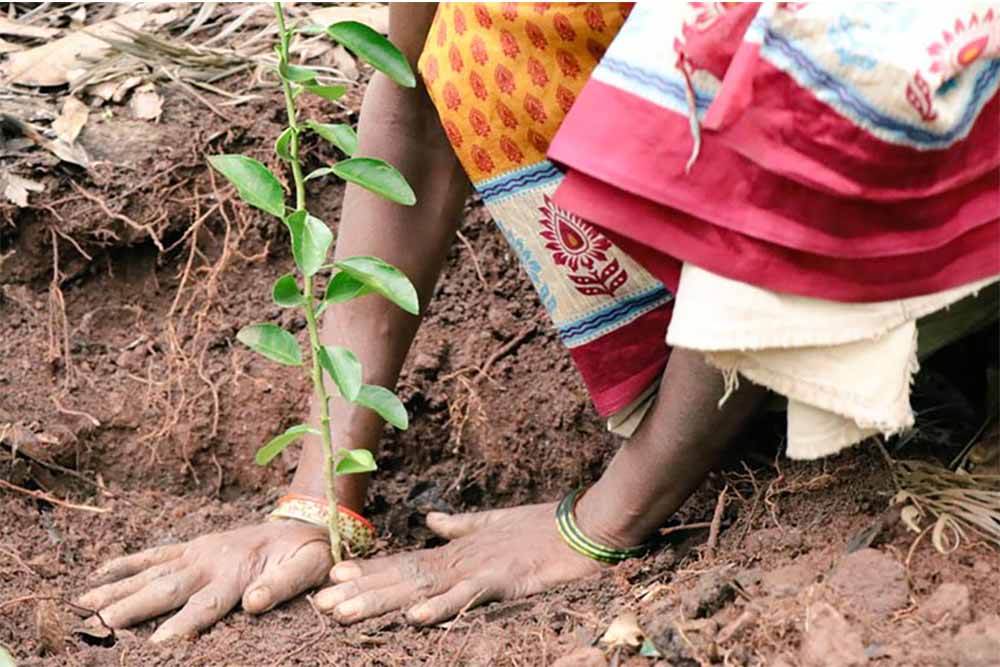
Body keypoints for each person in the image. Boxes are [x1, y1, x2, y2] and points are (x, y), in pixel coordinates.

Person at [77, 2, 999, 641]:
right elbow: (412, 95)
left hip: (931, 162)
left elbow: (780, 164)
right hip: (760, 165)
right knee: (484, 23)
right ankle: (706, 389)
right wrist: (321, 496)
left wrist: (597, 520)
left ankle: (836, 371)